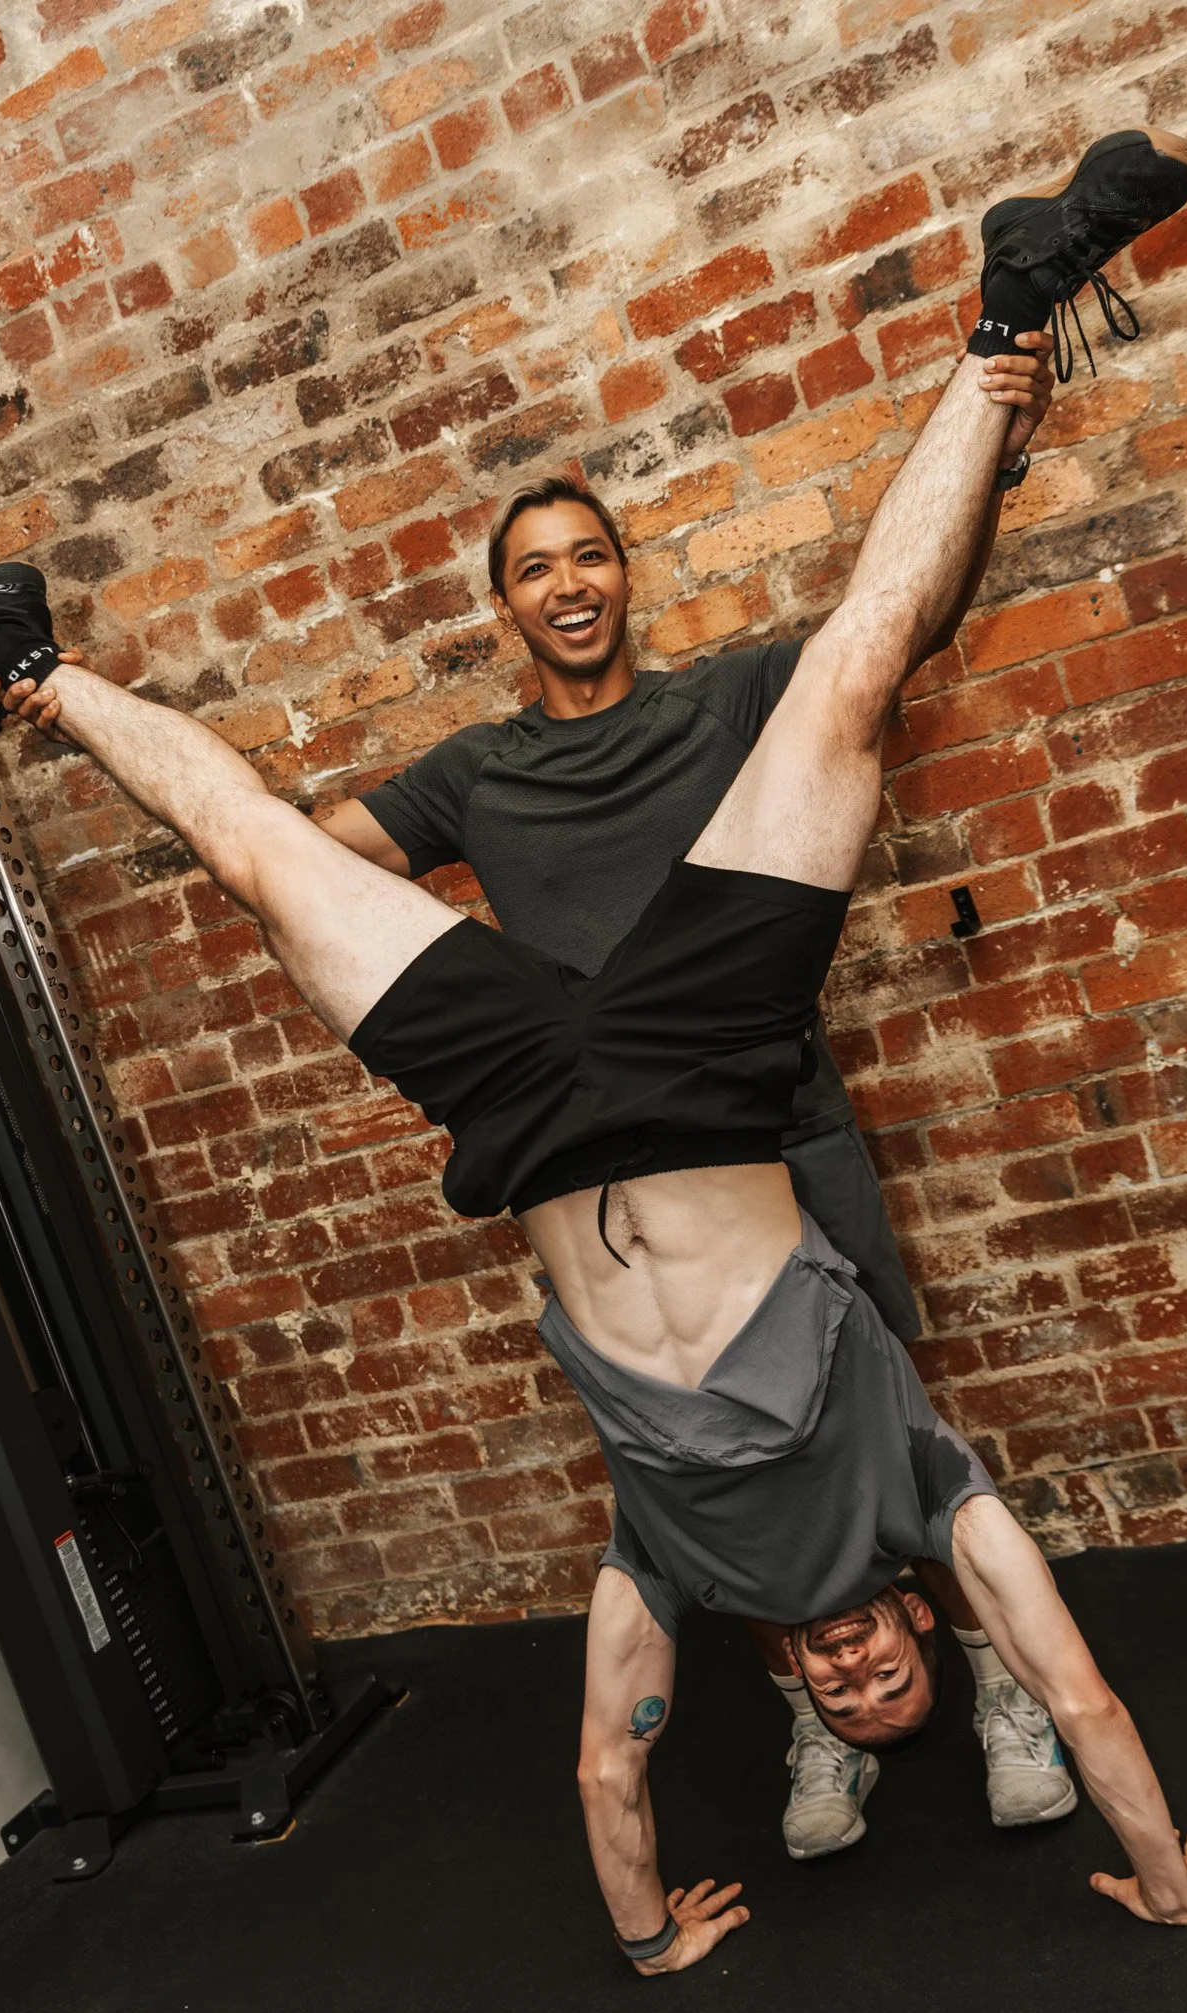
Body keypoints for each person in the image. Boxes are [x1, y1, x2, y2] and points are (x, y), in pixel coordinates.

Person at [0, 123, 1187, 1973]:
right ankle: (1015, 300)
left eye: (842, 1685)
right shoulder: (938, 1510)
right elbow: (1092, 1693)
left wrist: (643, 1941)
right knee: (857, 669)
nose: (865, 1661)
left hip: (535, 1103)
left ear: (794, 1673)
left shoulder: (669, 1579)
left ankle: (15, 663)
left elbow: (604, 1773)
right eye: (889, 1677)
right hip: (712, 1064)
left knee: (259, 862)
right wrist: (1172, 1881)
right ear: (920, 1637)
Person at [309, 397, 1073, 1850]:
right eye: (536, 567)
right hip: (616, 1185)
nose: (569, 585)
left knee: (895, 1436)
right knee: (696, 1474)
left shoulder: (719, 705)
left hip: (781, 1124)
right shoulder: (471, 775)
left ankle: (999, 1687)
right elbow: (306, 860)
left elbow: (895, 623)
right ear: (502, 603)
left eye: (588, 556)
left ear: (621, 574)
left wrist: (988, 462)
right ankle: (810, 1713)